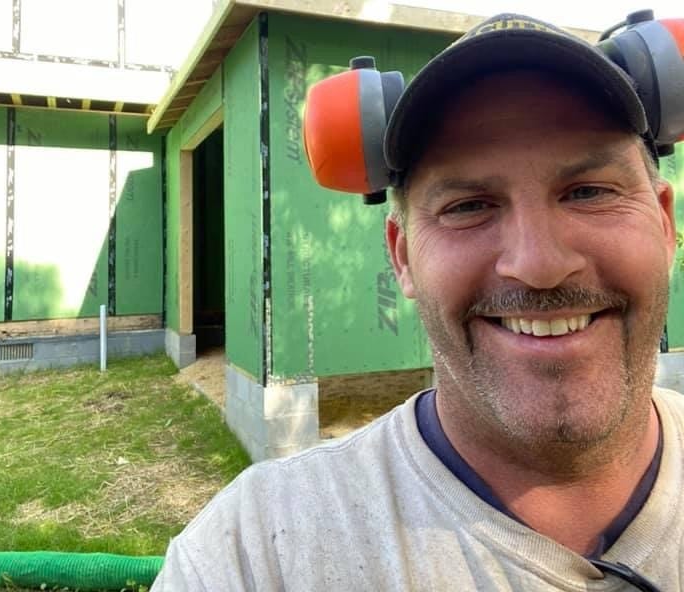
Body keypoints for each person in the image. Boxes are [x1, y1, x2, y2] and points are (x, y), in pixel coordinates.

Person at [152, 13, 682, 591]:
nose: (539, 264)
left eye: (588, 192)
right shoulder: (254, 558)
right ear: (401, 256)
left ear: (663, 223)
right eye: (468, 205)